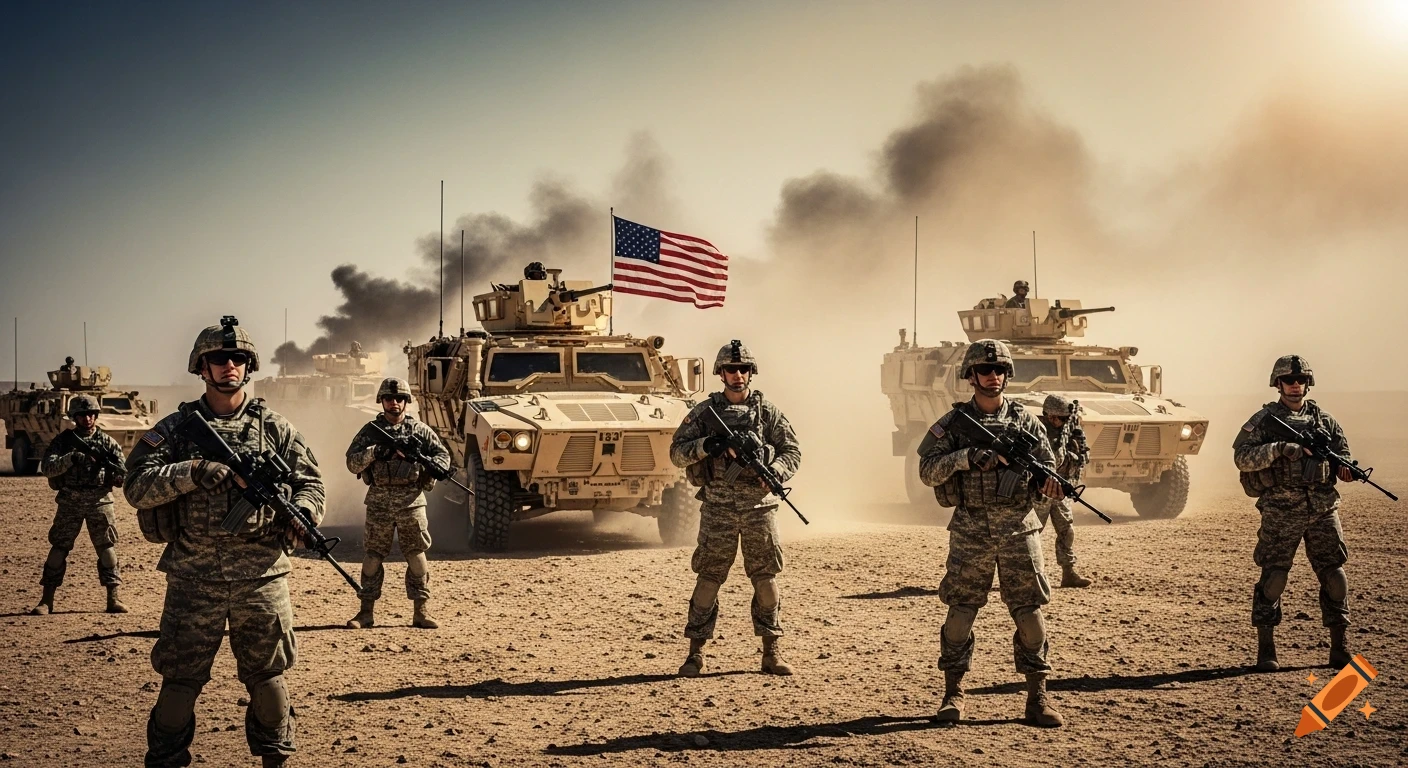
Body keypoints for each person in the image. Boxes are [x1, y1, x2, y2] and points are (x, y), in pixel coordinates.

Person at [125, 317, 324, 767]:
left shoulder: (275, 427)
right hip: (193, 578)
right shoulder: (176, 429)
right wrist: (192, 471)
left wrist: (305, 513)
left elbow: (311, 484)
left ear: (249, 366)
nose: (229, 365)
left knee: (269, 681)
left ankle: (275, 757)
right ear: (202, 367)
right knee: (179, 683)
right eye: (218, 358)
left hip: (262, 577)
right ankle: (166, 758)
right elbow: (136, 486)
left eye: (237, 358)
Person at [917, 339, 1066, 727]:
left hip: (1019, 531)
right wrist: (966, 457)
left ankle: (1038, 698)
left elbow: (1048, 465)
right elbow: (927, 471)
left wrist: (1050, 485)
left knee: (1030, 615)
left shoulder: (1026, 421)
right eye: (984, 370)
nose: (993, 376)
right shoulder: (954, 424)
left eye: (999, 369)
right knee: (961, 614)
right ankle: (953, 694)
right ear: (971, 376)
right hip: (971, 531)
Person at [670, 340, 801, 677]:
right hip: (718, 508)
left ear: (750, 372)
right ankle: (695, 654)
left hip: (760, 509)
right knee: (708, 580)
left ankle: (771, 652)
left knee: (766, 580)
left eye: (743, 369)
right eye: (731, 369)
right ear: (721, 373)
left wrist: (775, 472)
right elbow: (676, 453)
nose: (738, 375)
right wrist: (707, 445)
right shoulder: (705, 413)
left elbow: (792, 451)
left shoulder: (767, 412)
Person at [1233, 355, 1356, 672]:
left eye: (1301, 380)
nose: (1295, 385)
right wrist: (1277, 449)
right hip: (1281, 509)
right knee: (1274, 578)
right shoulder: (1264, 421)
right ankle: (1266, 649)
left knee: (1335, 577)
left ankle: (1339, 647)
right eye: (1289, 380)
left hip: (1323, 508)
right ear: (1278, 384)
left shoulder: (1325, 421)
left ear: (1308, 383)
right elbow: (1242, 457)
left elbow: (1342, 454)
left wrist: (1344, 469)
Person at [344, 377, 450, 630]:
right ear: (381, 401)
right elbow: (352, 463)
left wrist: (433, 466)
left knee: (416, 555)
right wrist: (374, 452)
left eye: (400, 398)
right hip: (379, 501)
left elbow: (442, 455)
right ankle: (365, 613)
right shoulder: (370, 431)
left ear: (406, 401)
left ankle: (421, 612)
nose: (394, 403)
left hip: (411, 501)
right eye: (389, 398)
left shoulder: (420, 430)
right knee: (372, 556)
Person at [32, 394, 127, 615]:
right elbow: (48, 468)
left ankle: (113, 599)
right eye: (82, 415)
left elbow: (122, 471)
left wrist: (117, 476)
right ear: (74, 417)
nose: (87, 418)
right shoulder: (63, 442)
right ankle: (46, 600)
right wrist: (70, 458)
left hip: (99, 501)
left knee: (107, 548)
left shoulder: (107, 443)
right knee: (59, 548)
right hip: (70, 501)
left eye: (91, 414)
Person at [1035, 394, 1091, 588]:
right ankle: (1027, 575)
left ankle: (1068, 572)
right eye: (1062, 418)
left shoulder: (1069, 430)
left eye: (1067, 418)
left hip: (1061, 488)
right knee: (1032, 534)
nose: (1065, 421)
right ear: (1050, 416)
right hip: (1041, 490)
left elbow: (1083, 456)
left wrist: (1076, 451)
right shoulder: (1036, 431)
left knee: (1066, 531)